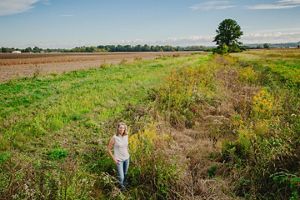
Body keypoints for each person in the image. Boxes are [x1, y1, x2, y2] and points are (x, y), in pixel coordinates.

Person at [107, 122, 130, 190]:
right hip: (119, 160)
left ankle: (124, 185)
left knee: (125, 174)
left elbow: (126, 146)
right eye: (120, 128)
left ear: (125, 129)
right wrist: (114, 159)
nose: (121, 129)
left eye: (123, 128)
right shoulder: (114, 137)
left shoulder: (126, 136)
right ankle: (121, 190)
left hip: (127, 158)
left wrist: (128, 153)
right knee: (121, 177)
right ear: (118, 128)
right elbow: (108, 149)